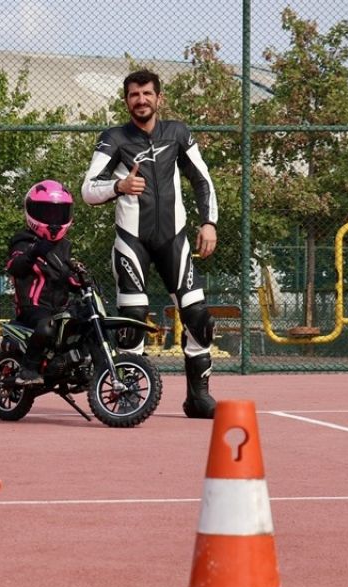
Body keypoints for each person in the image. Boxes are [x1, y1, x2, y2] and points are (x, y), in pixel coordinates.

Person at [81, 68, 221, 418]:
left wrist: (209, 224)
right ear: (126, 100)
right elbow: (86, 190)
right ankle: (130, 395)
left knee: (199, 317)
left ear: (159, 98)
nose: (140, 100)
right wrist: (119, 187)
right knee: (133, 319)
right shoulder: (114, 138)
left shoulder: (178, 133)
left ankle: (198, 398)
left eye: (147, 94)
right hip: (132, 241)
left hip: (175, 239)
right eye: (133, 95)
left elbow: (202, 181)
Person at [5, 179, 79, 386]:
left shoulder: (65, 246)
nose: (53, 219)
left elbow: (66, 273)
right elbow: (15, 265)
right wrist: (33, 252)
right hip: (32, 309)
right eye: (47, 213)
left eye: (58, 213)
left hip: (59, 307)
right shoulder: (24, 240)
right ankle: (27, 369)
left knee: (86, 320)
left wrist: (80, 279)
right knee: (48, 325)